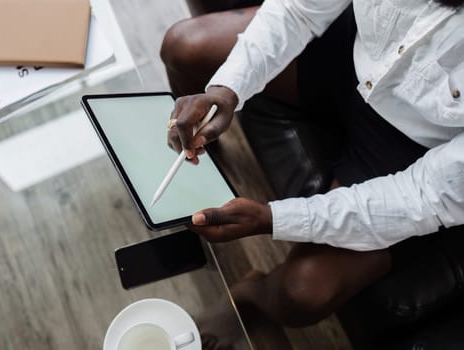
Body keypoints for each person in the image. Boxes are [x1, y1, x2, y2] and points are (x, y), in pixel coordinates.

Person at [160, 0, 464, 338]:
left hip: (413, 145)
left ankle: (251, 299)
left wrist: (274, 219)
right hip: (349, 49)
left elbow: (424, 194)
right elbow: (297, 10)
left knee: (303, 292)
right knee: (184, 46)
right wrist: (226, 89)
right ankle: (201, 153)